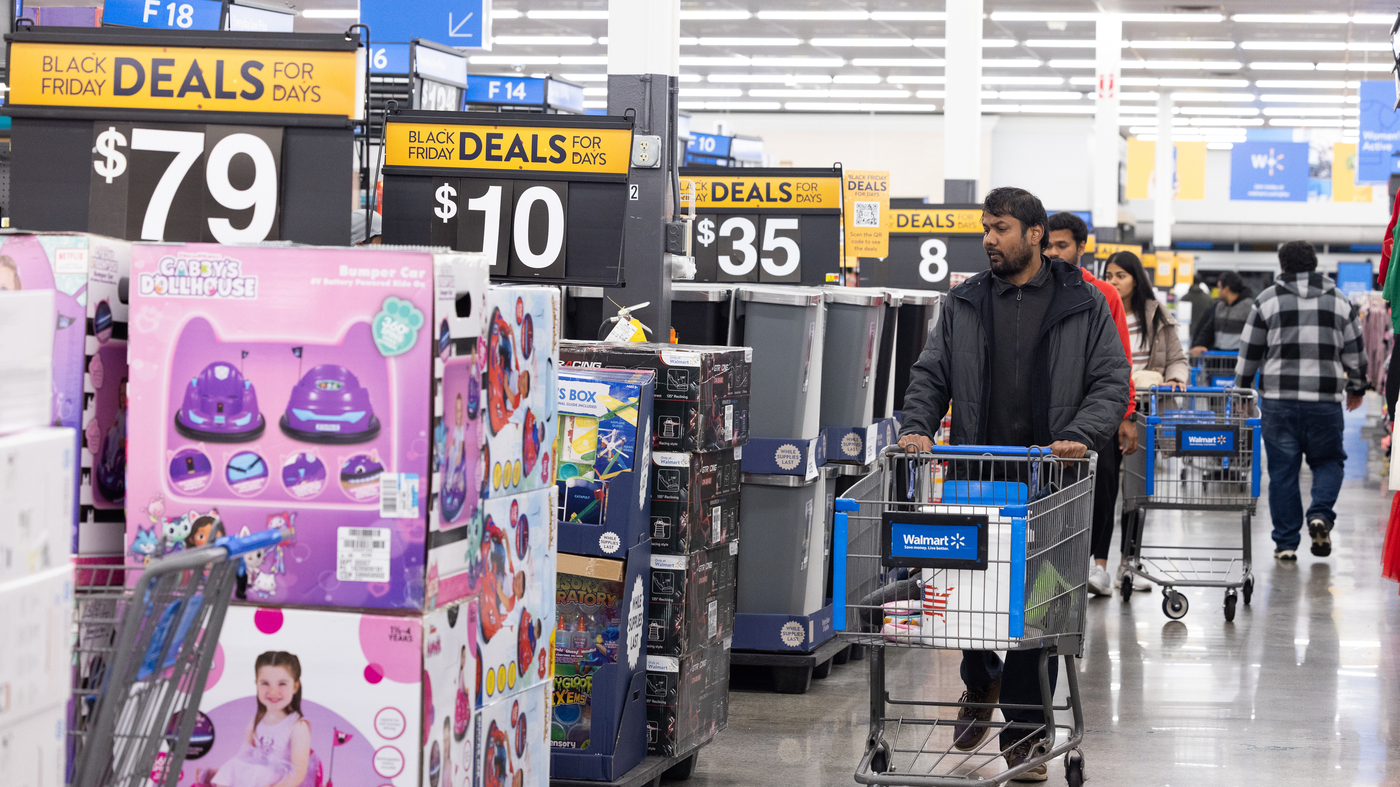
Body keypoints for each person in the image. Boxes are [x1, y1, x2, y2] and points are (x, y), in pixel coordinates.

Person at [898, 187, 1130, 780]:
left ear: (1033, 234)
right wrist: (918, 428)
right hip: (979, 474)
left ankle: (1026, 732)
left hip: (1052, 479)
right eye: (985, 229)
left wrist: (1083, 433)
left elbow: (1110, 381)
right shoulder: (966, 301)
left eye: (999, 228)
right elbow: (931, 374)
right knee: (969, 598)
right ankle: (980, 681)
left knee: (1037, 608)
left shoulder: (1085, 302)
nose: (988, 239)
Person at [1237, 241, 1366, 561]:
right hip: (1324, 402)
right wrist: (1357, 387)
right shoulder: (1339, 301)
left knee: (1282, 472)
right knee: (1329, 461)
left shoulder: (1266, 301)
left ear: (1282, 267)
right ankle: (1319, 513)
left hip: (1278, 403)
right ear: (1315, 265)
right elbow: (1355, 351)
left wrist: (1242, 392)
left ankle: (1285, 544)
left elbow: (1249, 351)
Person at [1045, 212, 1137, 597]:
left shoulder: (1102, 294)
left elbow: (1120, 361)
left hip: (1096, 416)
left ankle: (1096, 565)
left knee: (1101, 491)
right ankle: (1055, 572)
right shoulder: (1032, 290)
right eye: (1047, 244)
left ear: (1082, 248)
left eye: (1062, 245)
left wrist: (1126, 414)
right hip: (1051, 416)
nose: (1053, 252)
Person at [213, 651, 311, 787]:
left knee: (258, 772)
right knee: (232, 765)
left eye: (282, 684)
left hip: (278, 780)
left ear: (295, 686)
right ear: (257, 684)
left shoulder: (297, 726)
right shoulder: (256, 720)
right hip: (255, 771)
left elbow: (297, 774)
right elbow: (244, 753)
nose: (273, 691)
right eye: (265, 683)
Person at [1189, 270, 1253, 355]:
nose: (1218, 291)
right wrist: (1199, 345)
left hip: (1238, 359)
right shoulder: (1219, 306)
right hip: (1219, 360)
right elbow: (1208, 330)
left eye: (1219, 287)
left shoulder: (1248, 307)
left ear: (1226, 289)